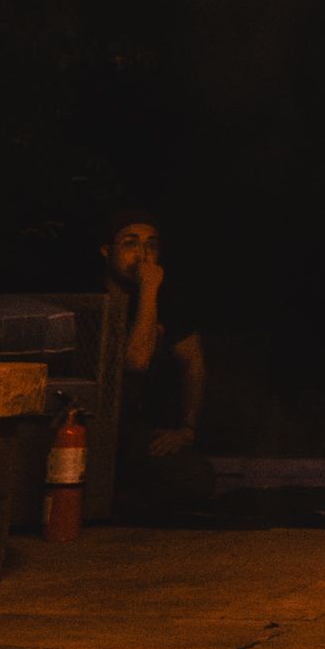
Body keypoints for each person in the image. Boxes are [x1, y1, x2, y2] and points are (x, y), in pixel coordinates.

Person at [101, 209, 214, 518]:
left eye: (151, 244)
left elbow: (195, 363)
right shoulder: (95, 300)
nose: (143, 254)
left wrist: (186, 429)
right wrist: (149, 289)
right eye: (131, 243)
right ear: (107, 251)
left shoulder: (168, 302)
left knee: (196, 480)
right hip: (96, 429)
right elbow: (135, 362)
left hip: (138, 434)